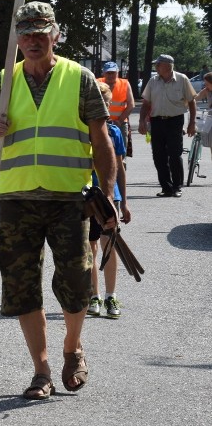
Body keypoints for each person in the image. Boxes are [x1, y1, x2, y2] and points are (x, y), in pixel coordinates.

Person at [0, 1, 117, 400]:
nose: (34, 41)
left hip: (69, 197)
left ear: (55, 35)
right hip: (17, 198)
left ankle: (73, 347)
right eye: (26, 34)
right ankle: (41, 370)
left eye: (41, 33)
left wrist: (110, 195)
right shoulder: (2, 82)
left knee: (75, 280)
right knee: (20, 286)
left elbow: (101, 140)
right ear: (17, 39)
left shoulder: (80, 77)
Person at [87, 82, 131, 319]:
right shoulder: (81, 129)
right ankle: (94, 295)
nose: (103, 108)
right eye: (99, 103)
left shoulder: (114, 132)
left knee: (108, 246)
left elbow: (120, 169)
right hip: (86, 197)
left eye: (107, 103)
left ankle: (110, 295)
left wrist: (123, 201)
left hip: (108, 197)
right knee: (90, 247)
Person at [137, 54, 197, 198]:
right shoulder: (153, 81)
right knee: (159, 156)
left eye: (158, 64)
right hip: (157, 121)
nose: (156, 67)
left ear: (167, 66)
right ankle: (166, 187)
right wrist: (141, 121)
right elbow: (146, 103)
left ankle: (177, 187)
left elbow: (191, 102)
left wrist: (192, 123)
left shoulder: (182, 79)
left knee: (175, 155)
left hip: (175, 121)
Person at [97, 61, 135, 155]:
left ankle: (121, 168)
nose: (110, 75)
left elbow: (131, 105)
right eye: (108, 73)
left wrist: (120, 121)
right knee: (101, 152)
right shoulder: (97, 82)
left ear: (117, 73)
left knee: (120, 153)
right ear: (104, 73)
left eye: (113, 73)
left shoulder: (125, 84)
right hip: (101, 123)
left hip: (120, 124)